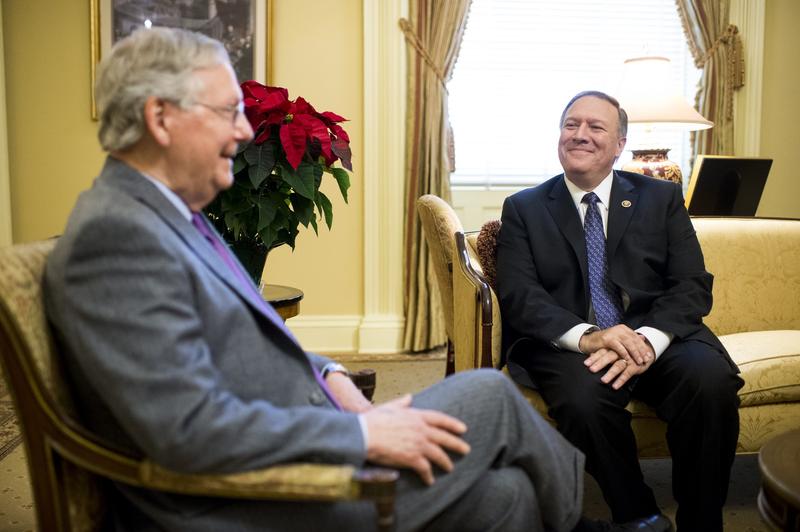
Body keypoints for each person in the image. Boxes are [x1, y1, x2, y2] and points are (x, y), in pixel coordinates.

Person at [43, 27, 628, 532]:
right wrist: (364, 438)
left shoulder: (166, 215)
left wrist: (332, 376)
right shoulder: (118, 238)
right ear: (160, 118)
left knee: (510, 495)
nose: (243, 132)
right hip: (243, 497)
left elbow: (242, 338)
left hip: (302, 432)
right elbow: (183, 430)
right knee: (493, 397)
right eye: (227, 112)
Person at [495, 90, 744, 532]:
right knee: (582, 403)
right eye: (571, 125)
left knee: (710, 383)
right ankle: (639, 517)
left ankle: (702, 521)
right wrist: (591, 336)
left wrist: (647, 338)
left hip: (656, 333)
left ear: (619, 145)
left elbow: (691, 284)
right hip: (574, 342)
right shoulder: (524, 208)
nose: (580, 134)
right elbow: (521, 296)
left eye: (596, 127)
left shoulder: (661, 198)